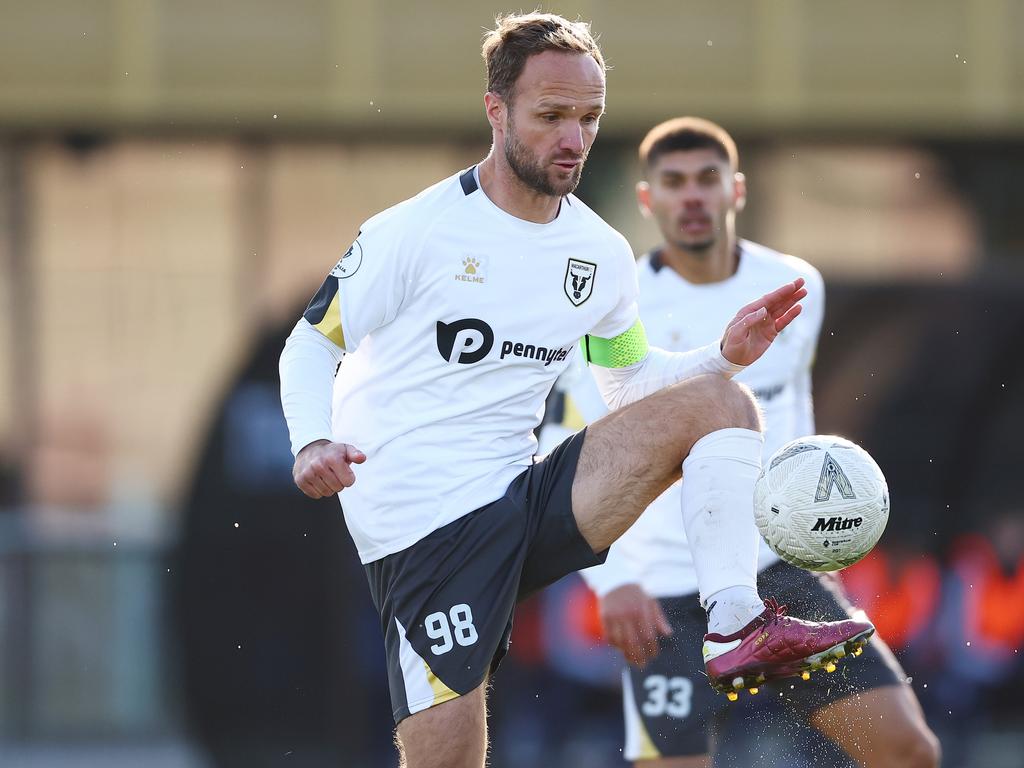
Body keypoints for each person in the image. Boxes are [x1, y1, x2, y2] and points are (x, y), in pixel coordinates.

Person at [278, 14, 872, 768]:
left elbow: (628, 384)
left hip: (522, 499)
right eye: (551, 116)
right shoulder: (415, 232)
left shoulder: (597, 252)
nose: (573, 138)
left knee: (722, 404)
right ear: (497, 112)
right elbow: (311, 344)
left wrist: (721, 355)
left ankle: (736, 618)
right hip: (424, 529)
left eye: (588, 119)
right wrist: (311, 442)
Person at [550, 117, 940, 767]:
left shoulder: (795, 286)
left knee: (907, 753)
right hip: (661, 593)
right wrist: (612, 580)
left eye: (706, 180)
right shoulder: (614, 304)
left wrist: (818, 537)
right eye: (673, 183)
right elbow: (575, 441)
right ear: (649, 200)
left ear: (737, 191)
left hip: (777, 576)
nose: (691, 197)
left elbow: (796, 413)